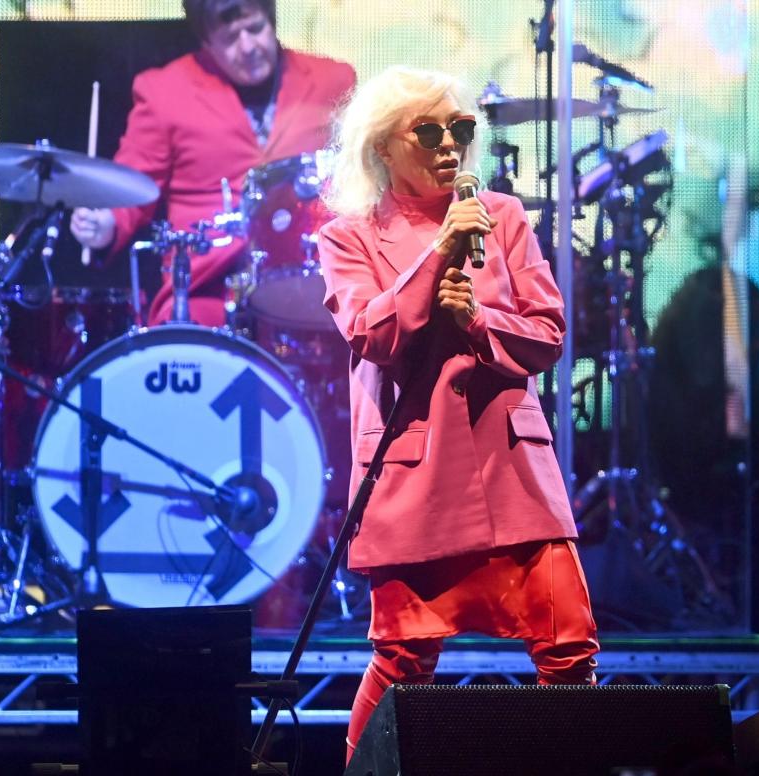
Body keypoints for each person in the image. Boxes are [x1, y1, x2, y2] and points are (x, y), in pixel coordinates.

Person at [316, 66, 600, 762]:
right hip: (417, 475)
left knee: (568, 650)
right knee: (403, 658)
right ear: (384, 148)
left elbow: (547, 335)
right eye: (431, 132)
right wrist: (441, 250)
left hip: (512, 470)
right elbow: (371, 334)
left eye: (462, 130)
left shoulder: (501, 217)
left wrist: (478, 322)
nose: (452, 146)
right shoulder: (348, 239)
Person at [69, 0, 355, 326]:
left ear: (272, 20)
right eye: (231, 38)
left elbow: (360, 176)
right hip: (205, 284)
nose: (247, 46)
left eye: (256, 28)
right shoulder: (164, 91)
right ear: (206, 42)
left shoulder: (334, 80)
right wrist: (107, 221)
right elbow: (135, 181)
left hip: (308, 273)